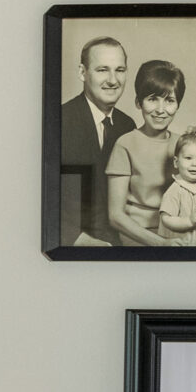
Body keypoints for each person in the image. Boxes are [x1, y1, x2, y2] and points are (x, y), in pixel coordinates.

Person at [58, 35, 134, 245]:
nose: (113, 80)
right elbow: (41, 193)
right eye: (102, 70)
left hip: (120, 244)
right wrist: (77, 239)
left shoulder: (127, 125)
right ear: (83, 72)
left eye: (120, 70)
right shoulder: (58, 121)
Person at [105, 58, 185, 245]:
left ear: (178, 105)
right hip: (137, 234)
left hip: (176, 230)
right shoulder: (125, 144)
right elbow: (115, 216)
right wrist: (160, 243)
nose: (160, 110)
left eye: (169, 100)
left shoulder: (182, 143)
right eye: (152, 99)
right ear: (138, 103)